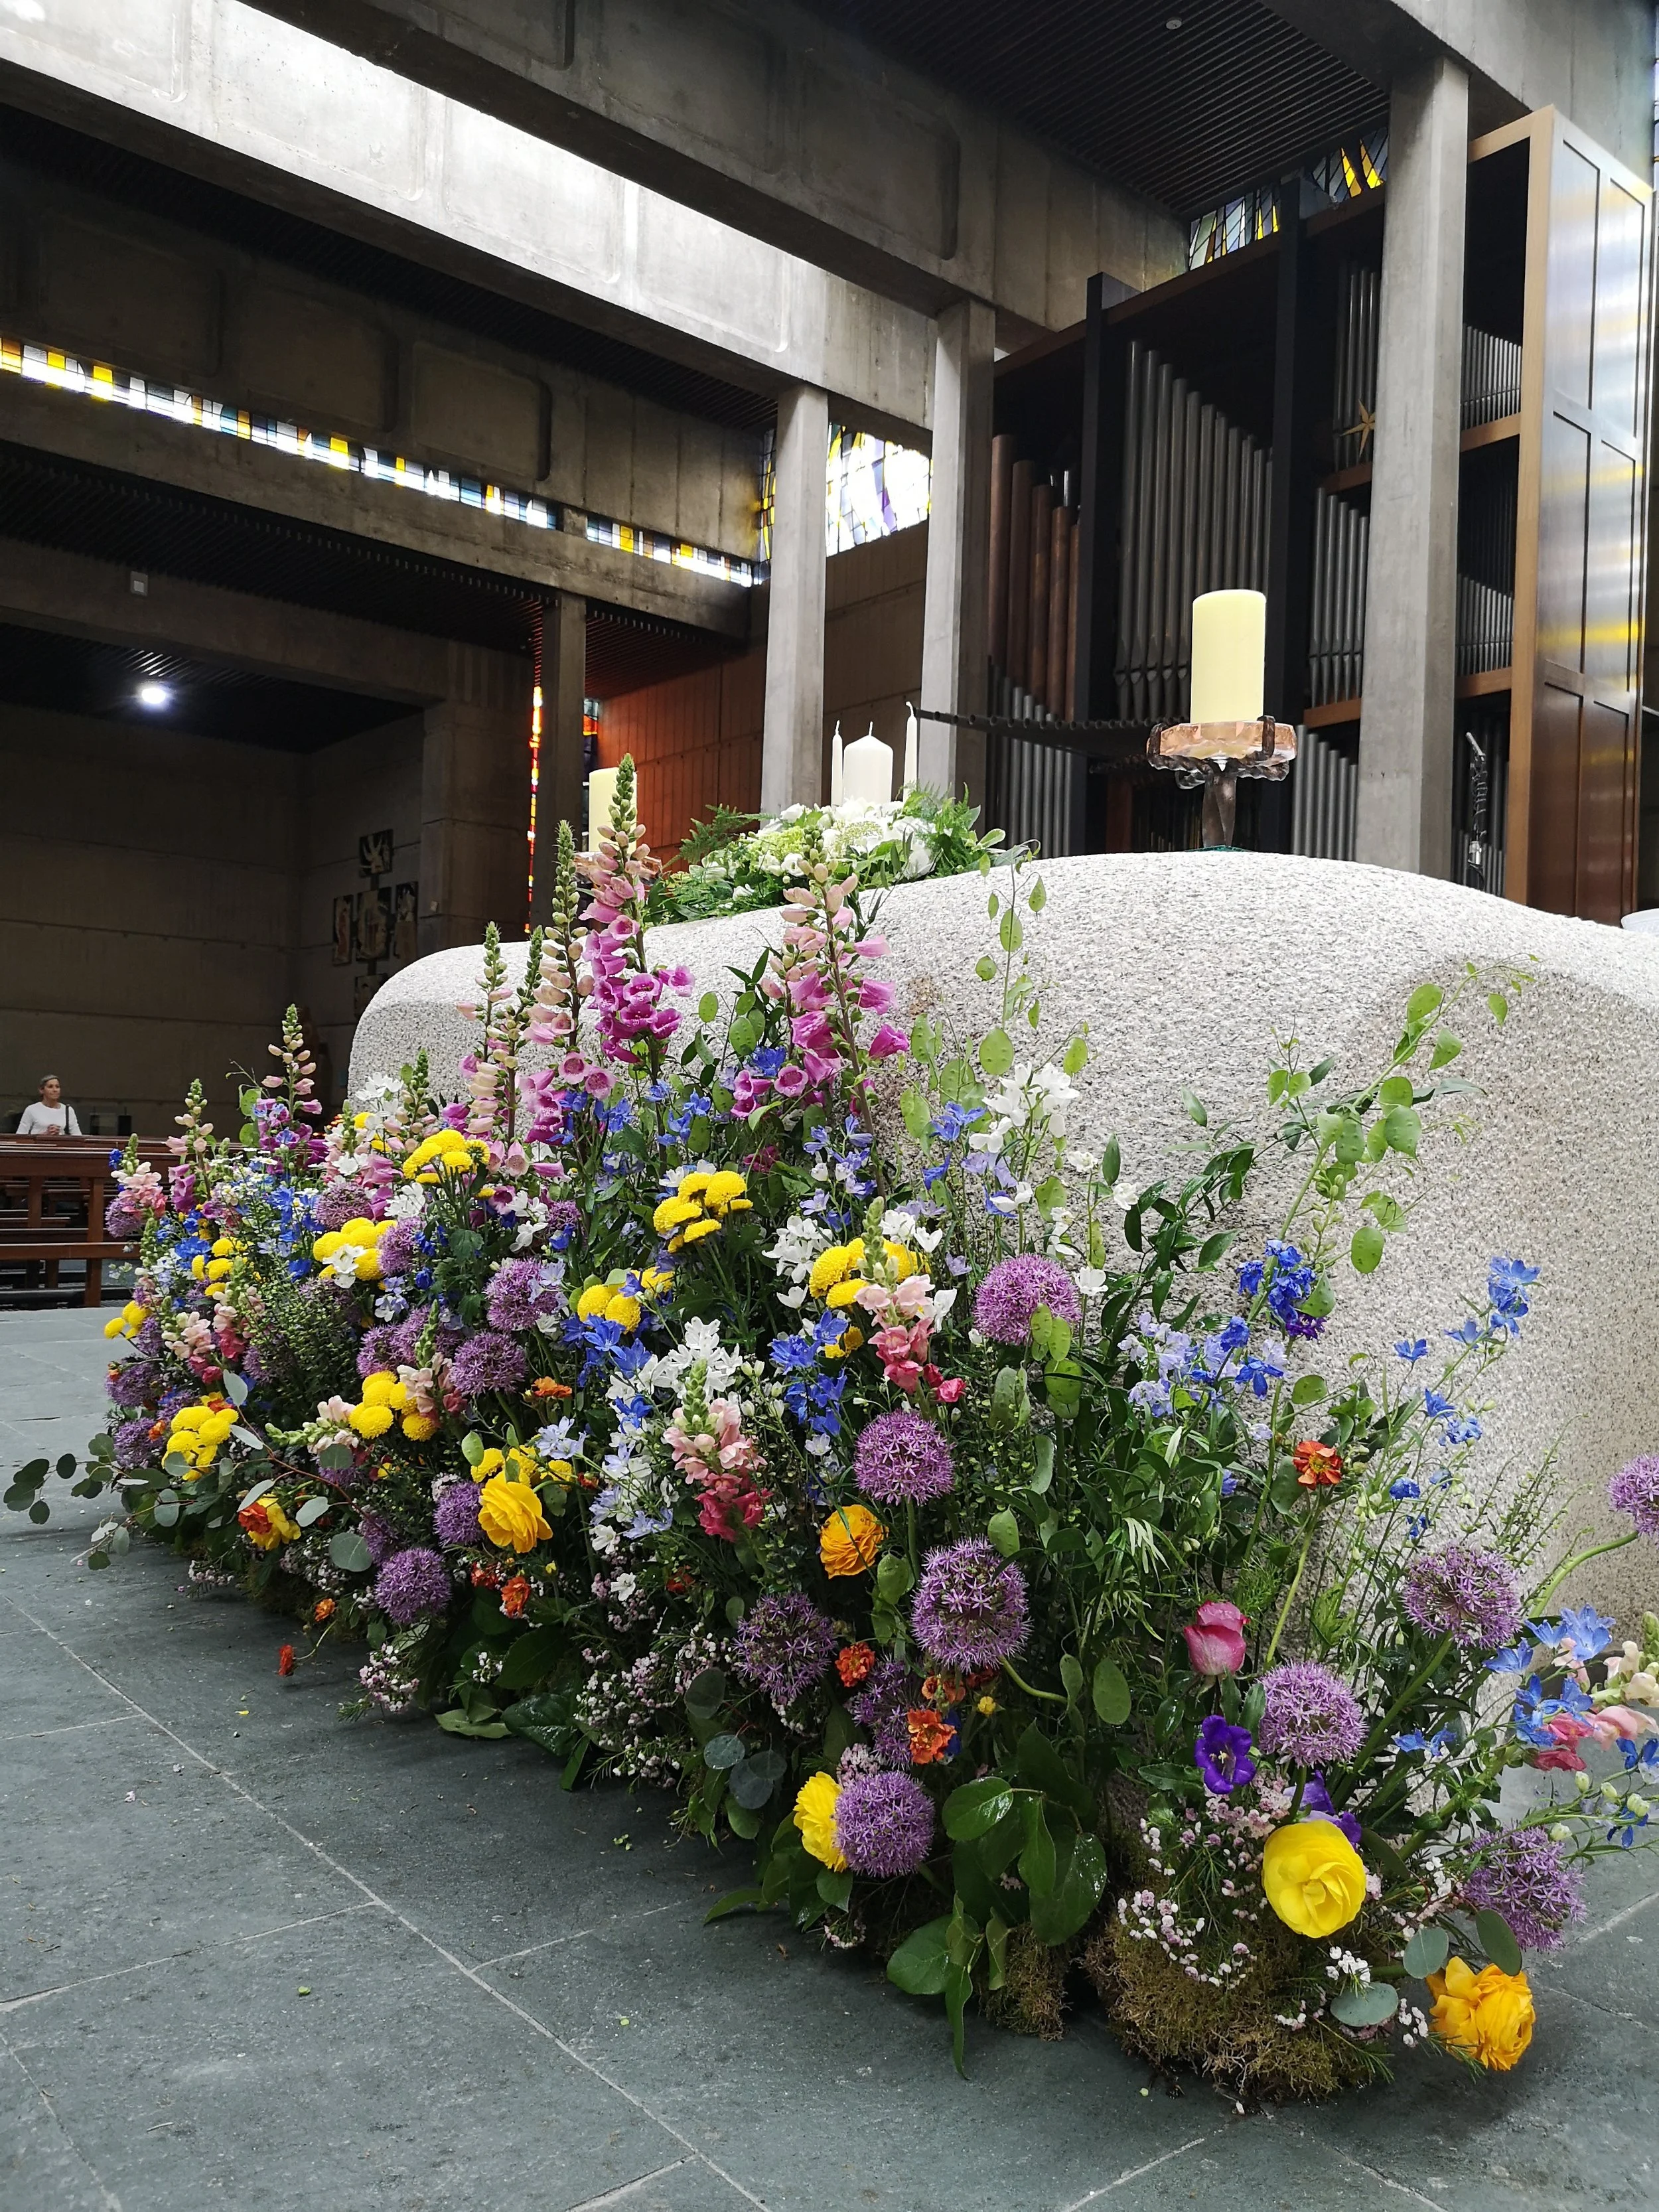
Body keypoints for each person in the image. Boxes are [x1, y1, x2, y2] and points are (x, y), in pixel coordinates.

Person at [16, 1075, 82, 1138]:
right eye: (50, 1087)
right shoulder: (31, 1109)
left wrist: (60, 1134)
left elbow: (77, 1136)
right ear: (42, 1090)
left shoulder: (68, 1110)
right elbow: (20, 1136)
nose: (55, 1090)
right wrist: (45, 1135)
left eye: (57, 1087)